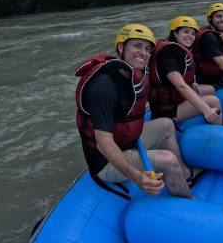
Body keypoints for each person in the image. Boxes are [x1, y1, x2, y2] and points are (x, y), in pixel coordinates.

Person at [75, 24, 196, 201]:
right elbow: (103, 143)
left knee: (167, 124)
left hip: (126, 140)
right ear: (121, 47)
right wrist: (137, 177)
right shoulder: (103, 86)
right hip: (105, 160)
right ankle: (188, 202)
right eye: (137, 46)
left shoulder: (134, 74)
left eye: (147, 49)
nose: (143, 53)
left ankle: (185, 175)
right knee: (167, 159)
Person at [148, 16, 222, 126]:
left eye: (193, 33)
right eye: (185, 32)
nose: (190, 36)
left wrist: (192, 83)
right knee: (213, 102)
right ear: (175, 33)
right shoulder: (168, 53)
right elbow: (181, 85)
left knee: (210, 89)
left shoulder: (176, 49)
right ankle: (219, 134)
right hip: (166, 109)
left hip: (174, 98)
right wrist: (206, 109)